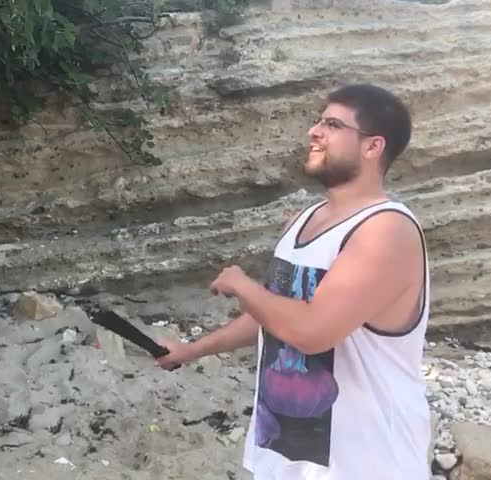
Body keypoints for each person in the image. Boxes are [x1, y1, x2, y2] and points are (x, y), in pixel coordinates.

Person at [155, 84, 431, 479]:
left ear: (372, 147)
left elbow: (311, 331)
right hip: (286, 459)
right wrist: (191, 350)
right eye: (318, 120)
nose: (313, 131)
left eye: (332, 124)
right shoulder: (305, 219)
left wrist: (242, 285)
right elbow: (276, 314)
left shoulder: (385, 231)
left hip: (366, 463)